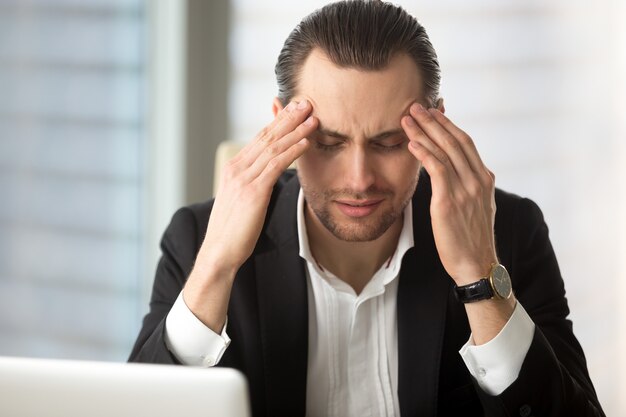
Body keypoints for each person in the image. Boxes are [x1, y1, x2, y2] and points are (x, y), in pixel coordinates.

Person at [129, 1, 605, 416]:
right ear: (282, 128)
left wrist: (478, 276)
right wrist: (214, 269)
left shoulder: (511, 233)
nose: (359, 180)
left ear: (435, 127)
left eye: (390, 142)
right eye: (329, 142)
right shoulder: (196, 237)